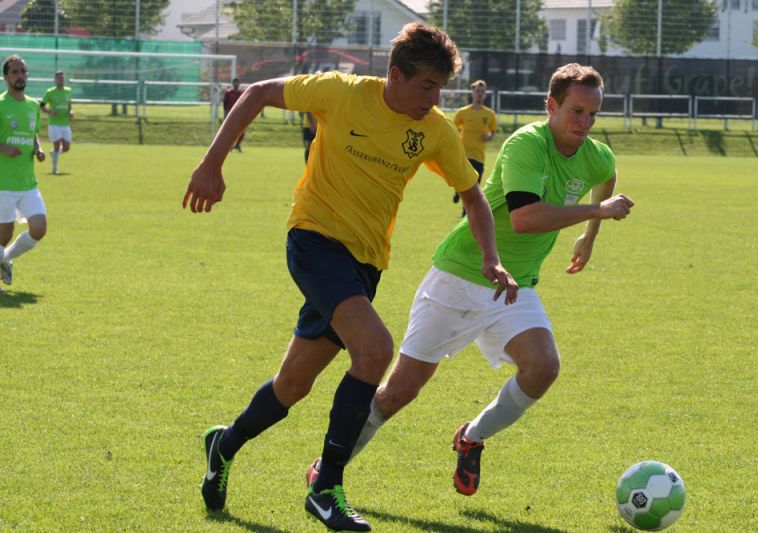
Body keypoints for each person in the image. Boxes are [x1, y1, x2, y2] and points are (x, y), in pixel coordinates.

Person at [183, 22, 517, 532]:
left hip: (365, 263)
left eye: (441, 88)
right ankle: (326, 489)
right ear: (395, 75)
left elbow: (472, 196)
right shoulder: (340, 92)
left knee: (293, 384)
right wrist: (212, 164)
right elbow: (257, 92)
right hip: (314, 241)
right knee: (375, 349)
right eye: (427, 86)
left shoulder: (433, 130)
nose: (434, 99)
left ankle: (224, 445)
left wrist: (491, 257)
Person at [305, 63, 635, 498]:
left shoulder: (596, 155)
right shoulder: (526, 144)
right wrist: (597, 212)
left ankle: (471, 437)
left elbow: (606, 177)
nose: (585, 122)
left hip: (514, 285)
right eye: (576, 111)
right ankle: (328, 469)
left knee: (543, 368)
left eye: (593, 114)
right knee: (398, 392)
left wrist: (588, 236)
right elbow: (524, 218)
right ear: (551, 106)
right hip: (461, 273)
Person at [0, 55, 48, 288]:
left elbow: (33, 132)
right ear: (6, 77)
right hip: (3, 183)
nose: (20, 76)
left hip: (28, 183)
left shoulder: (32, 105)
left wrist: (38, 149)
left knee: (39, 229)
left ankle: (5, 259)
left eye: (23, 71)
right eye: (15, 72)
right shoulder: (1, 104)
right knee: (4, 234)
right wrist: (4, 148)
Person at [452, 79, 497, 213]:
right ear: (472, 93)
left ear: (485, 95)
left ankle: (463, 209)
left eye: (482, 92)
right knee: (466, 183)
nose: (479, 94)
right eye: (477, 91)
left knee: (474, 186)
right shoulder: (463, 112)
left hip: (479, 156)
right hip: (464, 155)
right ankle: (461, 204)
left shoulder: (489, 114)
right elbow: (453, 128)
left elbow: (493, 131)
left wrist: (489, 136)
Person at [39, 70, 72, 175]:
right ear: (55, 80)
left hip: (65, 123)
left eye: (62, 78)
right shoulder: (50, 92)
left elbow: (69, 104)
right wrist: (50, 112)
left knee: (66, 147)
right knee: (57, 145)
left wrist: (70, 112)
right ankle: (54, 168)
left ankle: (54, 154)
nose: (60, 80)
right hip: (54, 124)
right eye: (58, 78)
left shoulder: (68, 91)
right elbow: (41, 106)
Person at [222, 78, 245, 151]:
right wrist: (225, 114)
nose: (236, 84)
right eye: (235, 83)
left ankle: (237, 145)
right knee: (230, 131)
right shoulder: (228, 93)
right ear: (233, 84)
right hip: (230, 114)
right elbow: (225, 104)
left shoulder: (241, 93)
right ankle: (229, 146)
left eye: (237, 83)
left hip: (239, 114)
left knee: (242, 130)